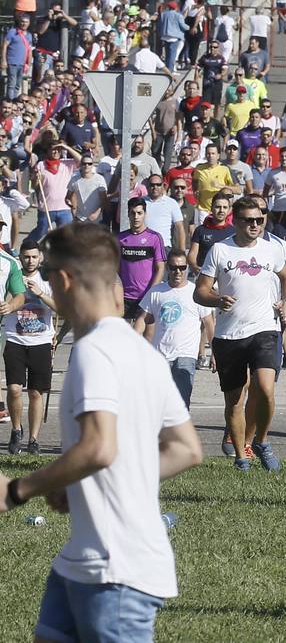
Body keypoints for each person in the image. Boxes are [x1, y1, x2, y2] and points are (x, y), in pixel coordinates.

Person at [0, 223, 203, 642]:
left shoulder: (93, 351)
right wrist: (79, 485)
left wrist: (18, 489)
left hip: (115, 568)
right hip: (81, 558)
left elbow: (98, 447)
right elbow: (186, 450)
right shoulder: (141, 351)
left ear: (63, 280)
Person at [195, 196, 286, 472]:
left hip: (265, 329)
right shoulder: (219, 250)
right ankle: (242, 457)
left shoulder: (272, 249)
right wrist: (217, 300)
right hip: (229, 335)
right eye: (249, 220)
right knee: (235, 401)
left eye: (259, 219)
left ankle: (262, 441)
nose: (255, 224)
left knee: (265, 389)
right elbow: (200, 291)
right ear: (236, 222)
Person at [139, 253, 214, 409]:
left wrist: (216, 353)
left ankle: (178, 431)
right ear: (168, 268)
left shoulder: (196, 292)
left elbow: (209, 323)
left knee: (180, 404)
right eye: (173, 268)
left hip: (186, 357)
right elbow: (142, 319)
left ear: (187, 269)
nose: (177, 272)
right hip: (160, 356)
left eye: (182, 268)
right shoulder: (156, 292)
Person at [5, 241, 53, 454]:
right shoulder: (12, 274)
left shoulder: (48, 278)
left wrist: (41, 293)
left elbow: (62, 307)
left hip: (40, 341)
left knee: (35, 392)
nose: (30, 261)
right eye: (26, 257)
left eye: (34, 257)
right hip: (15, 338)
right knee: (14, 389)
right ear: (20, 257)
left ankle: (33, 439)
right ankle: (16, 430)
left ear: (40, 257)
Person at [118, 199, 168, 326]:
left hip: (146, 297)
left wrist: (151, 292)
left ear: (145, 214)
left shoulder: (154, 238)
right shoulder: (120, 238)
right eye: (133, 213)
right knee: (125, 338)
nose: (136, 217)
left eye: (139, 213)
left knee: (147, 338)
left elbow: (160, 268)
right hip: (124, 297)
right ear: (128, 214)